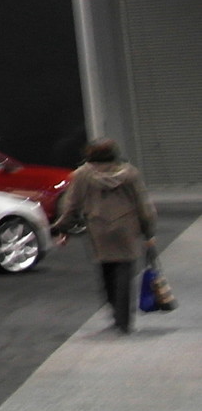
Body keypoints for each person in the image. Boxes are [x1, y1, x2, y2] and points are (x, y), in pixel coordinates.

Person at [56, 139, 158, 334]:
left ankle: (115, 313)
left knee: (107, 272)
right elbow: (143, 204)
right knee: (124, 274)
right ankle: (124, 321)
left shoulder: (82, 175)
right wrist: (148, 230)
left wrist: (63, 229)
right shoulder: (130, 173)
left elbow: (71, 205)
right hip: (126, 229)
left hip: (98, 229)